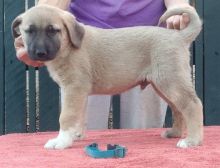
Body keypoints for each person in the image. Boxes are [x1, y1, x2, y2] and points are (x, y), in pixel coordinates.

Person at [14, 0, 191, 129]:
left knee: (144, 132)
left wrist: (177, 5)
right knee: (79, 133)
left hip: (147, 41)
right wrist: (37, 30)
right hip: (86, 43)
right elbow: (52, 5)